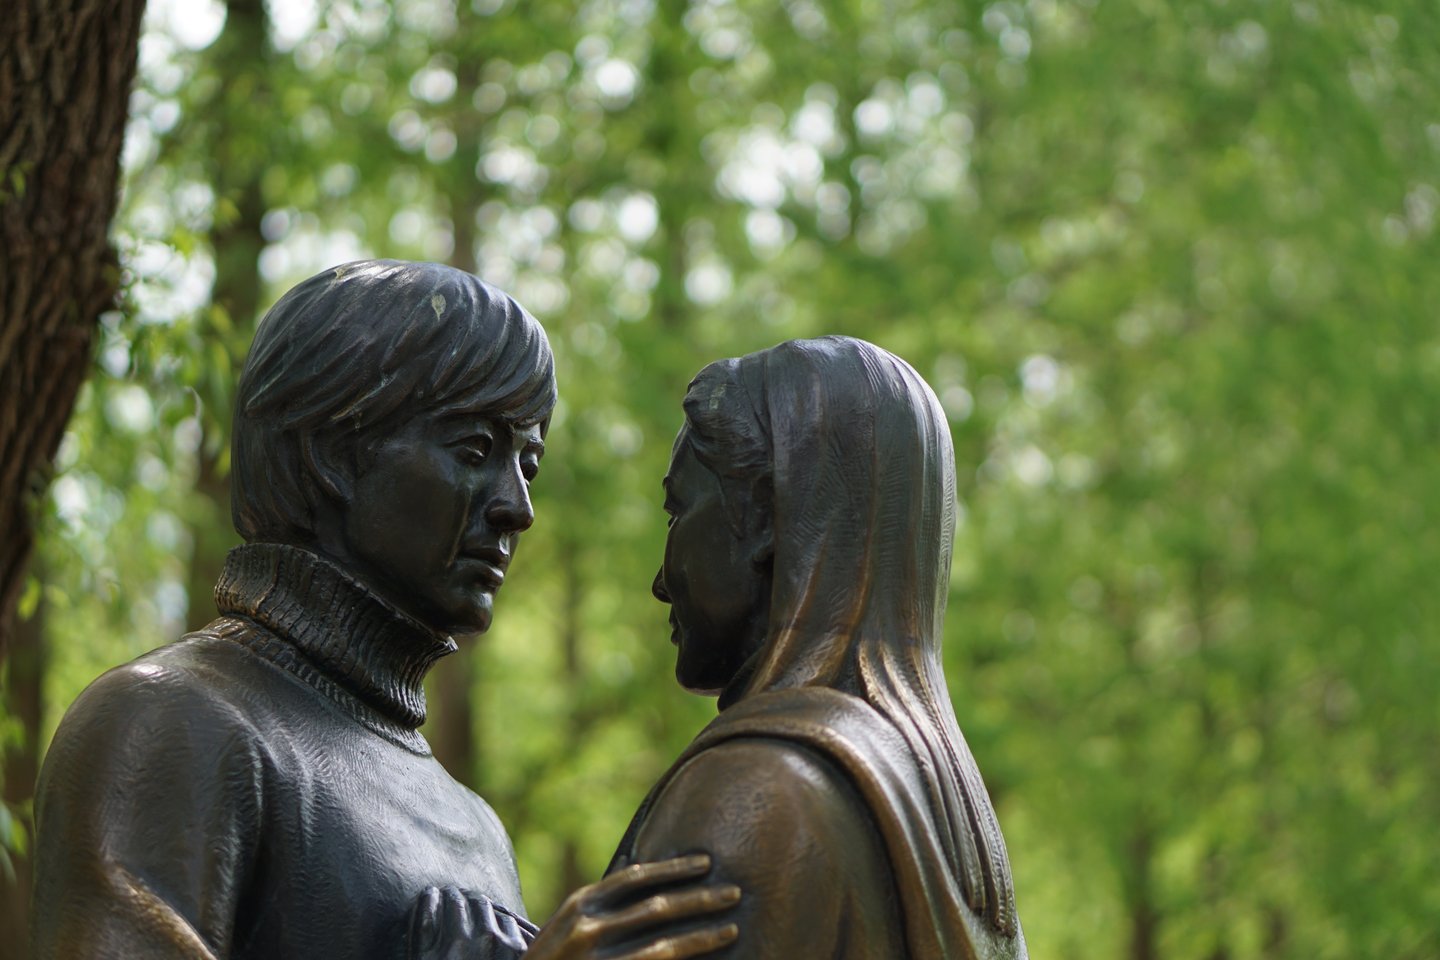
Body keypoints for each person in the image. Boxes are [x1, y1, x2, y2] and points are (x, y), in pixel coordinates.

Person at [32, 260, 738, 960]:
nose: (516, 509)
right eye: (474, 450)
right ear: (333, 454)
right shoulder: (170, 721)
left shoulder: (476, 826)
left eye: (528, 464)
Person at [609, 336, 1029, 958]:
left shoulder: (755, 795)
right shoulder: (955, 827)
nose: (661, 580)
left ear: (765, 520)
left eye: (678, 512)